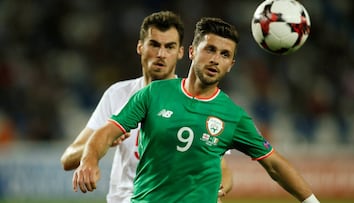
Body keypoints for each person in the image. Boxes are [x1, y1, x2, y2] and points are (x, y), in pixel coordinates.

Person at [72, 17, 320, 203]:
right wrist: (89, 160)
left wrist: (312, 201)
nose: (215, 59)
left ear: (231, 65)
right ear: (191, 52)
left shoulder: (233, 116)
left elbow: (274, 164)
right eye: (210, 50)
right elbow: (107, 132)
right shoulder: (154, 94)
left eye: (224, 55)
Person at [60, 11, 232, 203]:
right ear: (140, 47)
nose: (161, 54)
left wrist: (214, 189)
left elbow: (222, 169)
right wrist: (97, 149)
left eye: (169, 47)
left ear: (181, 52)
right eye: (154, 44)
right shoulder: (118, 94)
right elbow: (68, 159)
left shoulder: (196, 101)